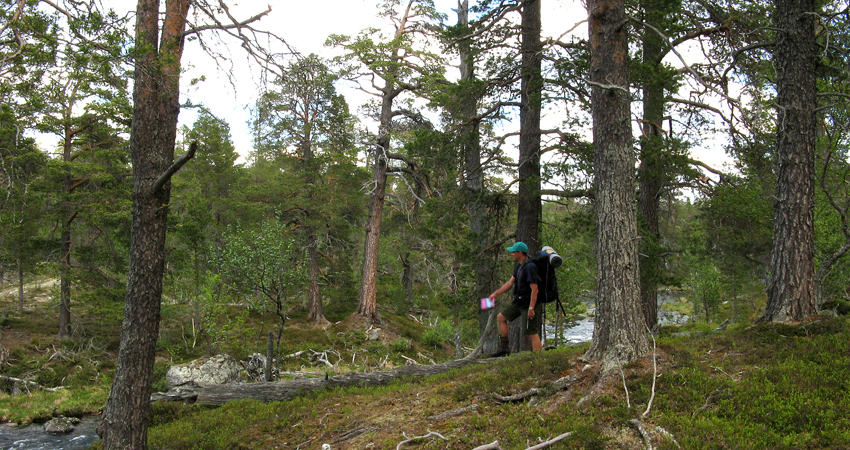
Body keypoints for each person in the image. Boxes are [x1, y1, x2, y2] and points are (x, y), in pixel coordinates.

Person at [487, 241, 543, 357]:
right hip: (519, 301)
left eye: (513, 252)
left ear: (520, 253)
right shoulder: (519, 266)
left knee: (531, 332)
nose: (511, 254)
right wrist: (496, 293)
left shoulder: (530, 267)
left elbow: (535, 290)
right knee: (501, 317)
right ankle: (504, 349)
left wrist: (531, 308)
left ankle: (538, 359)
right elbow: (510, 282)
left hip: (529, 304)